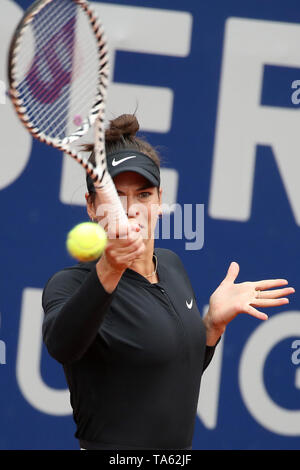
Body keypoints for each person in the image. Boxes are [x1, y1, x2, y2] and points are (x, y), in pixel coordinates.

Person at [42, 114, 295, 450]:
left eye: (143, 194)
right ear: (92, 206)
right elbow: (62, 346)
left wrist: (211, 328)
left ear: (159, 200)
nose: (130, 209)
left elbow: (174, 377)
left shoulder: (172, 266)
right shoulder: (70, 285)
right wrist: (110, 268)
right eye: (115, 197)